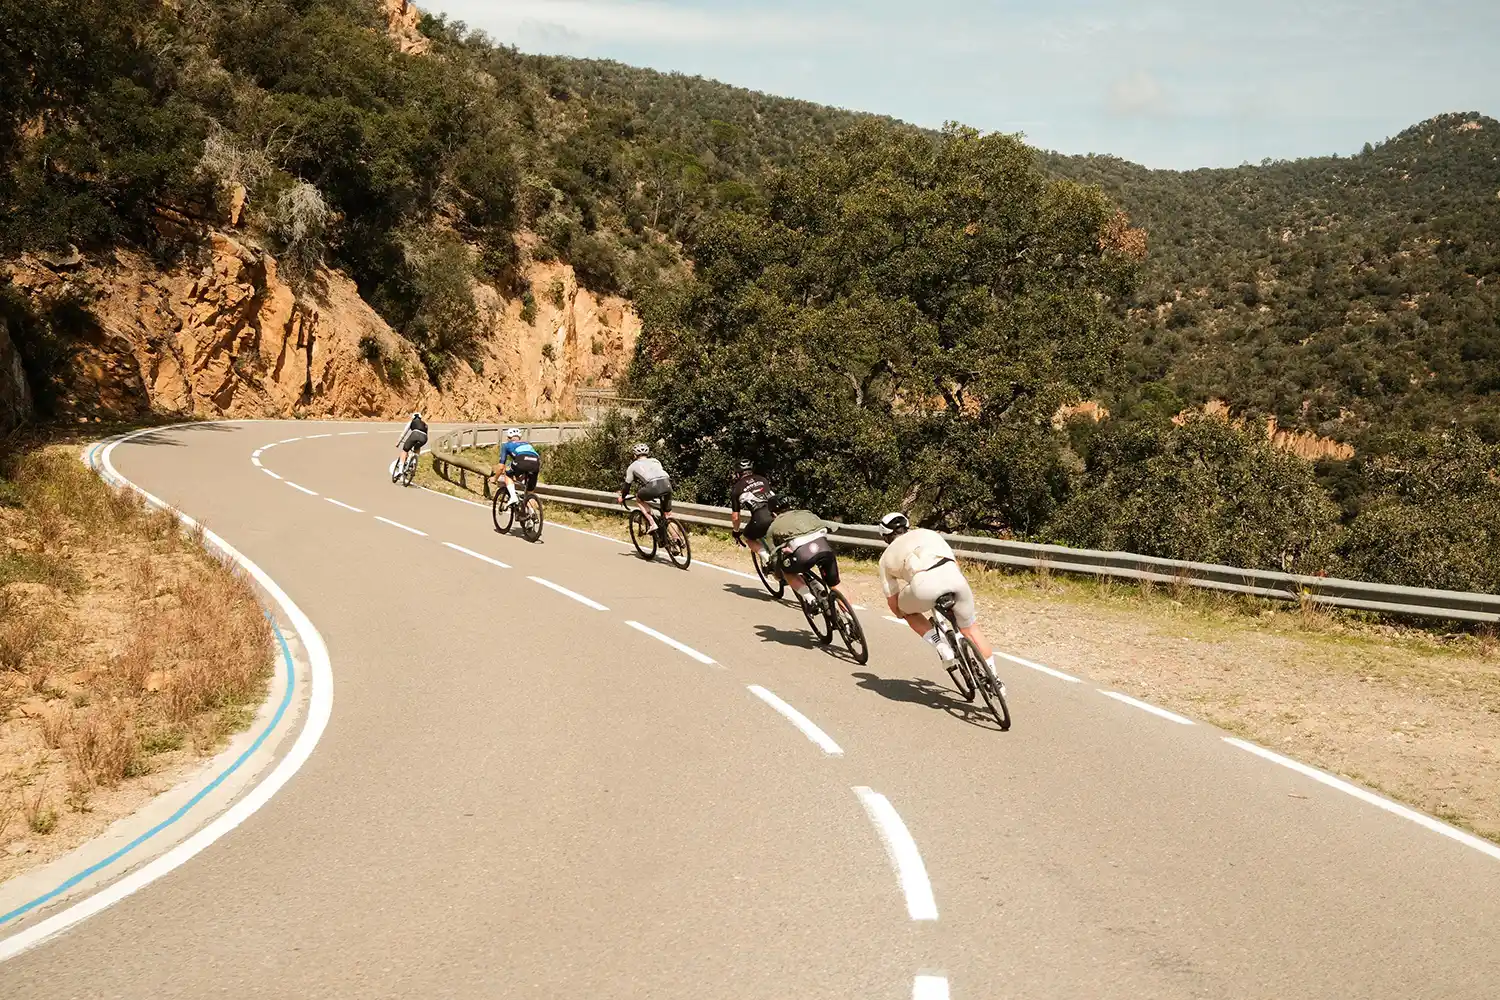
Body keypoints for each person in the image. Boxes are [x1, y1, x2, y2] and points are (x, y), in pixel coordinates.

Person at [877, 512, 1002, 686]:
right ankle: (995, 680)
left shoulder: (885, 558)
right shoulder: (929, 533)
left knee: (905, 611)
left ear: (885, 536)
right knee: (972, 630)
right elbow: (954, 562)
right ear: (907, 526)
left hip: (923, 586)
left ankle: (940, 646)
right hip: (954, 578)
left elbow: (892, 600)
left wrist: (901, 613)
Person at [765, 501, 841, 610]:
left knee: (787, 572)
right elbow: (829, 526)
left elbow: (773, 555)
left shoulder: (773, 526)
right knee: (836, 585)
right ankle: (850, 619)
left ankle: (810, 599)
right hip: (825, 548)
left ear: (774, 514)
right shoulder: (806, 513)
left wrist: (776, 572)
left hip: (803, 555)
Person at [728, 459, 778, 561]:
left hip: (761, 518)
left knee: (749, 538)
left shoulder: (737, 488)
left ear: (738, 474)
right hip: (776, 514)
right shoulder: (763, 479)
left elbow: (735, 517)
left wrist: (736, 532)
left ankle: (767, 559)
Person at [617, 443, 673, 530]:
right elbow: (657, 474)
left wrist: (622, 497)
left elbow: (627, 486)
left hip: (653, 486)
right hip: (667, 484)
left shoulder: (632, 466)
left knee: (639, 499)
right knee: (668, 515)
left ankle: (652, 523)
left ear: (635, 455)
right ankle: (677, 540)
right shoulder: (656, 461)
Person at [494, 428, 541, 508]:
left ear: (508, 437)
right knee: (530, 493)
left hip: (521, 460)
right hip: (536, 463)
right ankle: (532, 515)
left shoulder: (506, 445)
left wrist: (494, 479)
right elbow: (532, 459)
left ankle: (513, 497)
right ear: (519, 437)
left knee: (508, 474)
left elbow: (501, 467)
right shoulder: (527, 444)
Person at [392, 411, 428, 477]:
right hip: (424, 438)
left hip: (415, 434)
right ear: (420, 418)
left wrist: (398, 442)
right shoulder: (425, 424)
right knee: (417, 447)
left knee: (405, 450)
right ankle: (414, 463)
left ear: (413, 418)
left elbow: (404, 433)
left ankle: (400, 470)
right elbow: (425, 433)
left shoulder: (411, 422)